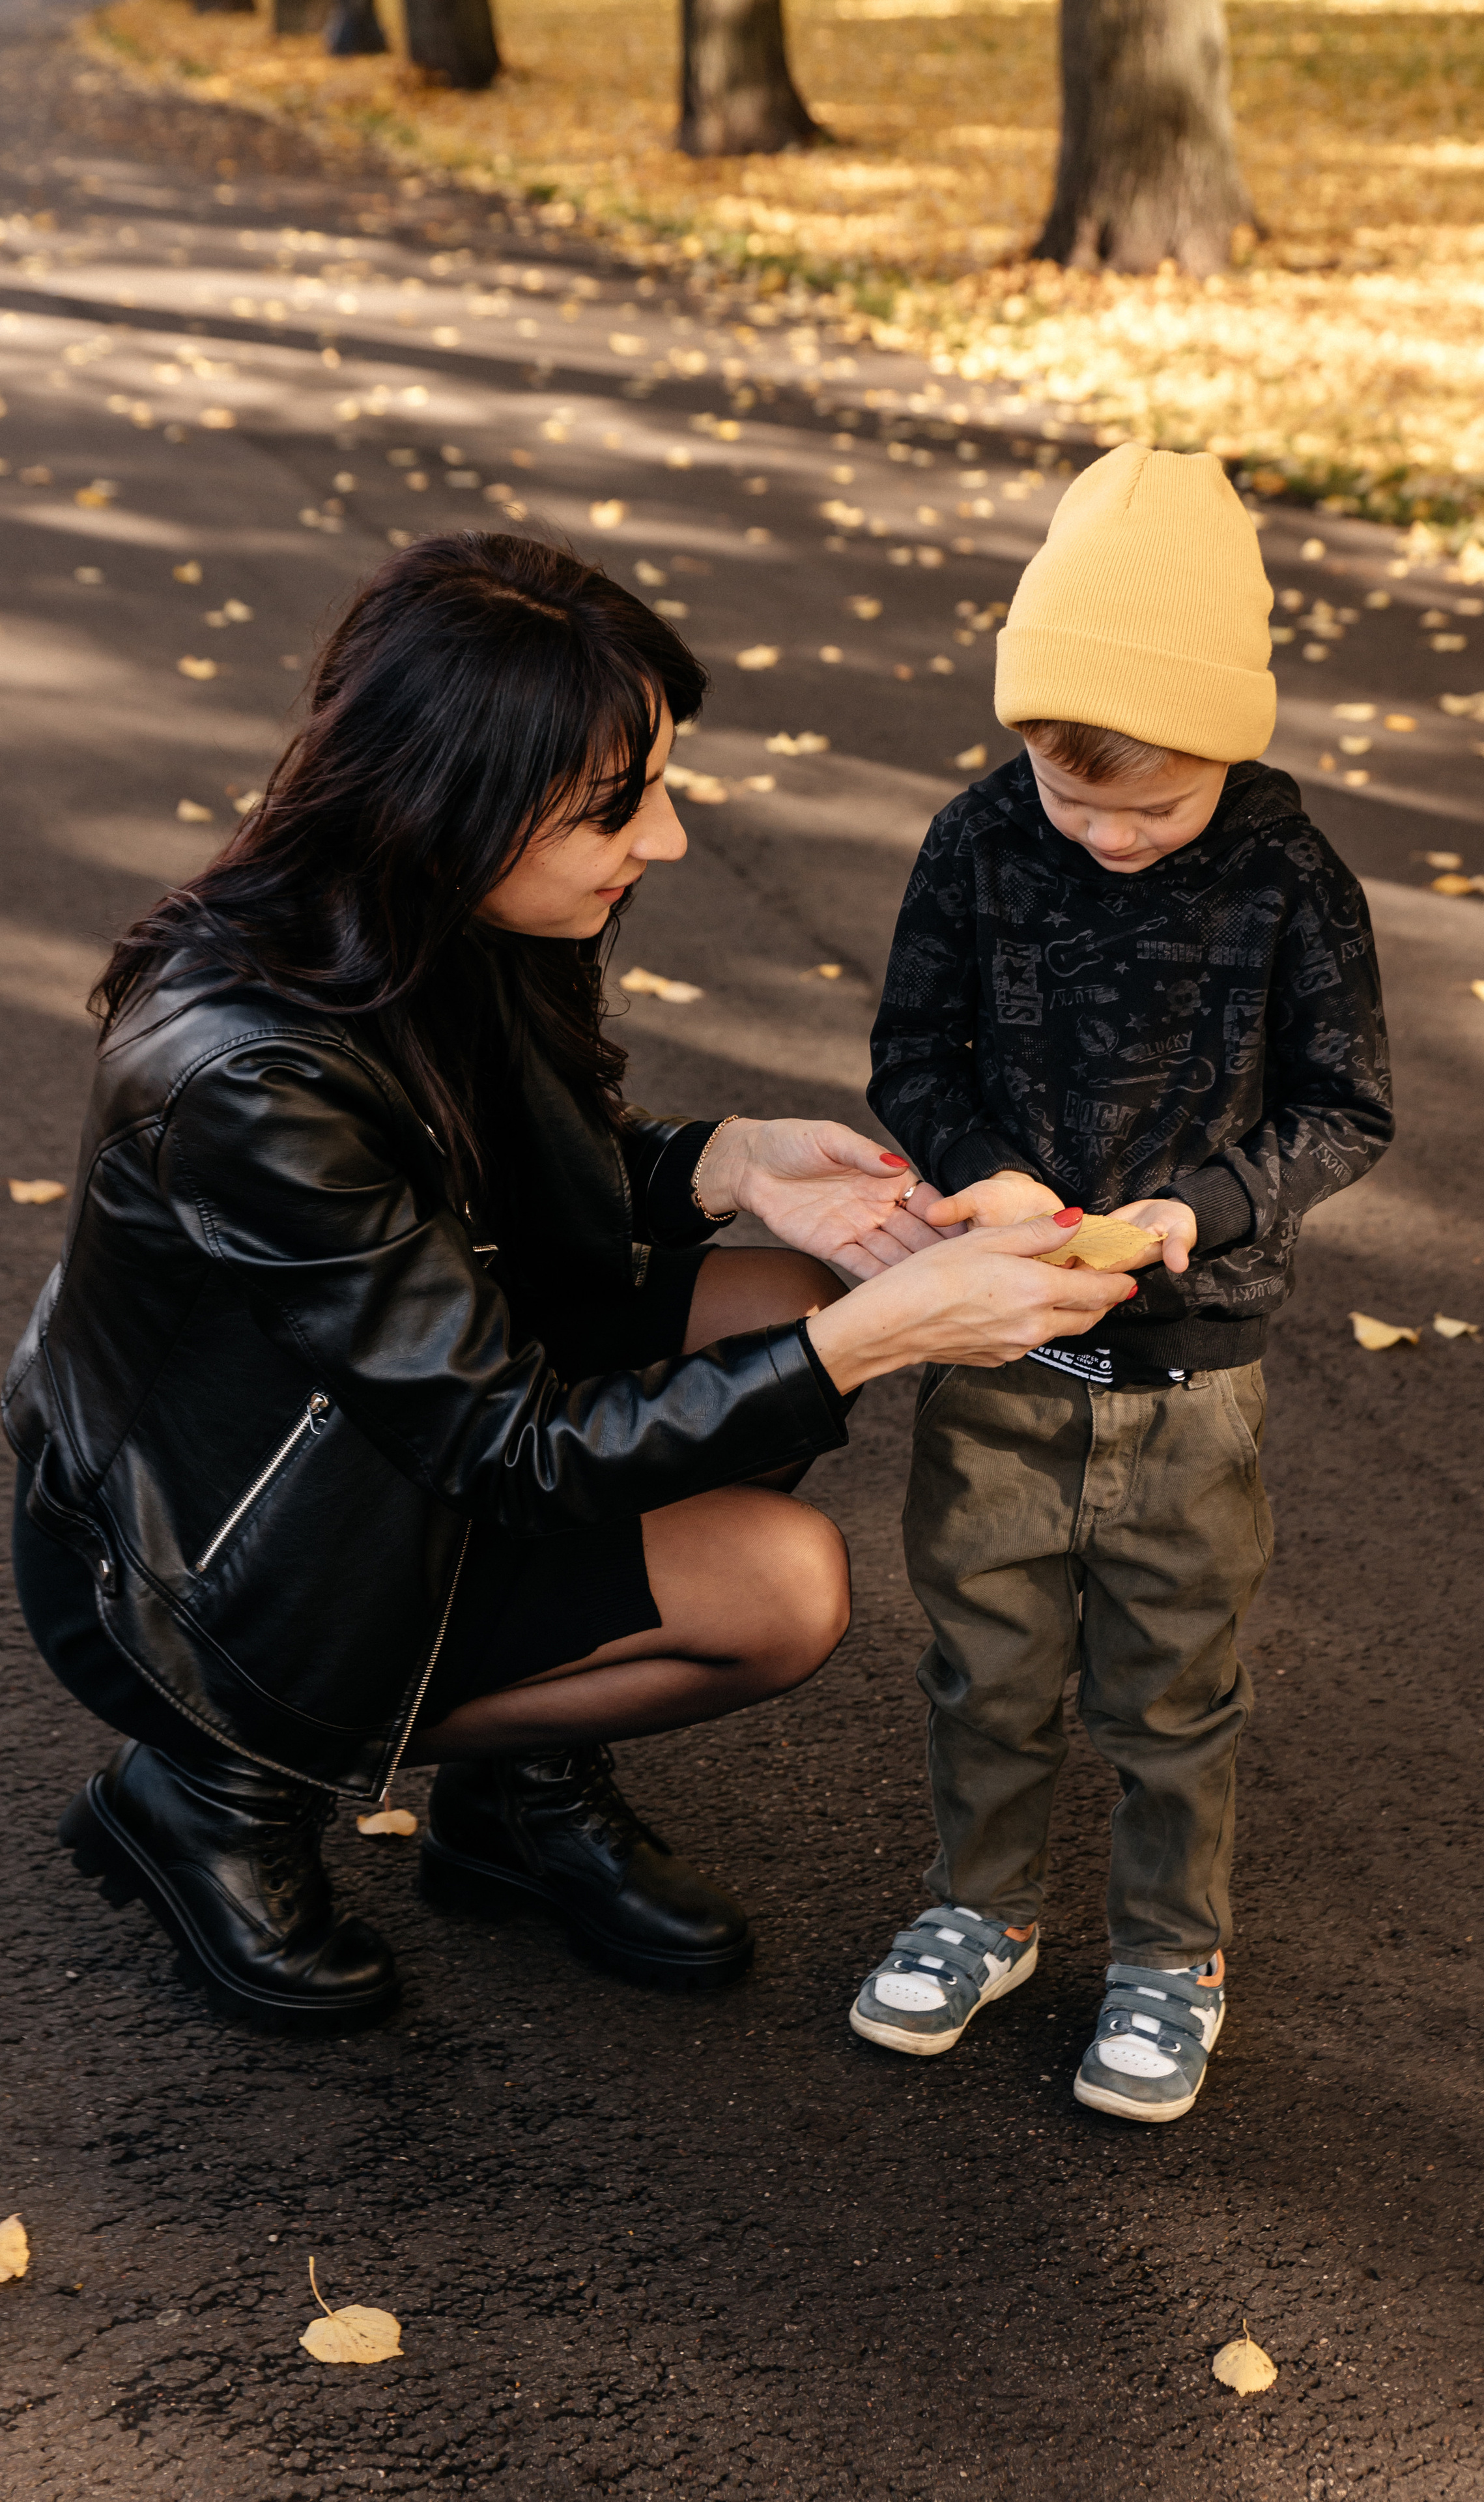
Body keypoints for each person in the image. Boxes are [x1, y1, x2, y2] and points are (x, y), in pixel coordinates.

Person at [4, 534, 1133, 2037]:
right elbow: (503, 1449)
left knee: (783, 1285)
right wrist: (878, 1338)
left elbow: (473, 1187)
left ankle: (511, 1795)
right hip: (195, 1565)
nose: (663, 842)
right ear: (453, 802)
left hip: (370, 1444)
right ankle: (214, 1789)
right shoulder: (247, 1071)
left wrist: (722, 1162)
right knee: (784, 1585)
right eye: (618, 807)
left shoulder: (436, 916)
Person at [857, 444, 1394, 2120]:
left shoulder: (1290, 879)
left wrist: (1202, 1212)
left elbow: (1345, 1106)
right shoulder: (976, 840)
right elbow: (910, 1052)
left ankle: (1169, 1953)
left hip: (1189, 1376)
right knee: (987, 1659)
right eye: (1063, 795)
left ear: (1232, 749)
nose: (1098, 836)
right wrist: (973, 1172)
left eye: (1146, 807)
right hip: (999, 1346)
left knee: (1169, 1685)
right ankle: (982, 1907)